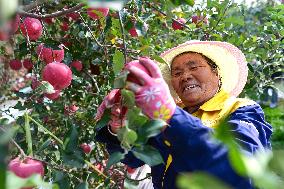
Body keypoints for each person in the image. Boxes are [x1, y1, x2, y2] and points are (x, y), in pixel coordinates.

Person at [95, 41, 272, 189]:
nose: (185, 76)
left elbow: (241, 169)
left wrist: (171, 115)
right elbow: (134, 157)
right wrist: (119, 129)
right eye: (177, 73)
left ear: (216, 73)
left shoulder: (242, 110)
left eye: (193, 67)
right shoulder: (164, 119)